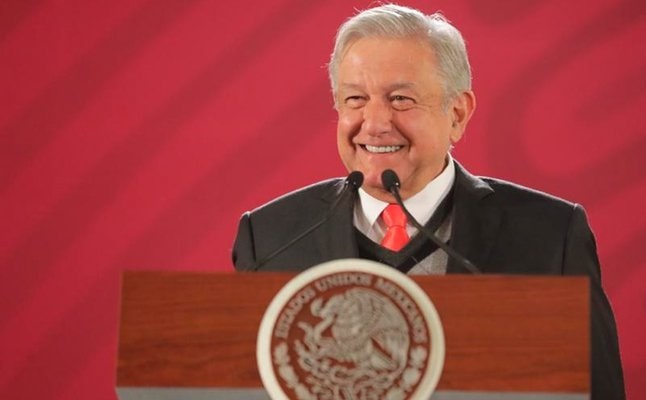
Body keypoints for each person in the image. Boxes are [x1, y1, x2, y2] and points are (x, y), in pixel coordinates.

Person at [232, 4, 625, 398]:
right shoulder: (270, 239)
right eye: (355, 99)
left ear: (457, 114)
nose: (374, 123)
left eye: (401, 99)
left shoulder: (550, 237)